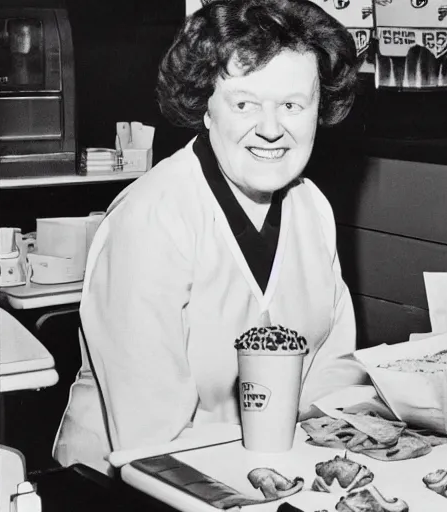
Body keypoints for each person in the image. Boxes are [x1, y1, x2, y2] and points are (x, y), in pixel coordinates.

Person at [53, 0, 368, 476]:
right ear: (205, 106)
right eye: (244, 103)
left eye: (292, 105)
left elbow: (333, 372)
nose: (270, 128)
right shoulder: (152, 218)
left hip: (271, 476)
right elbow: (151, 439)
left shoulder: (312, 208)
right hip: (130, 488)